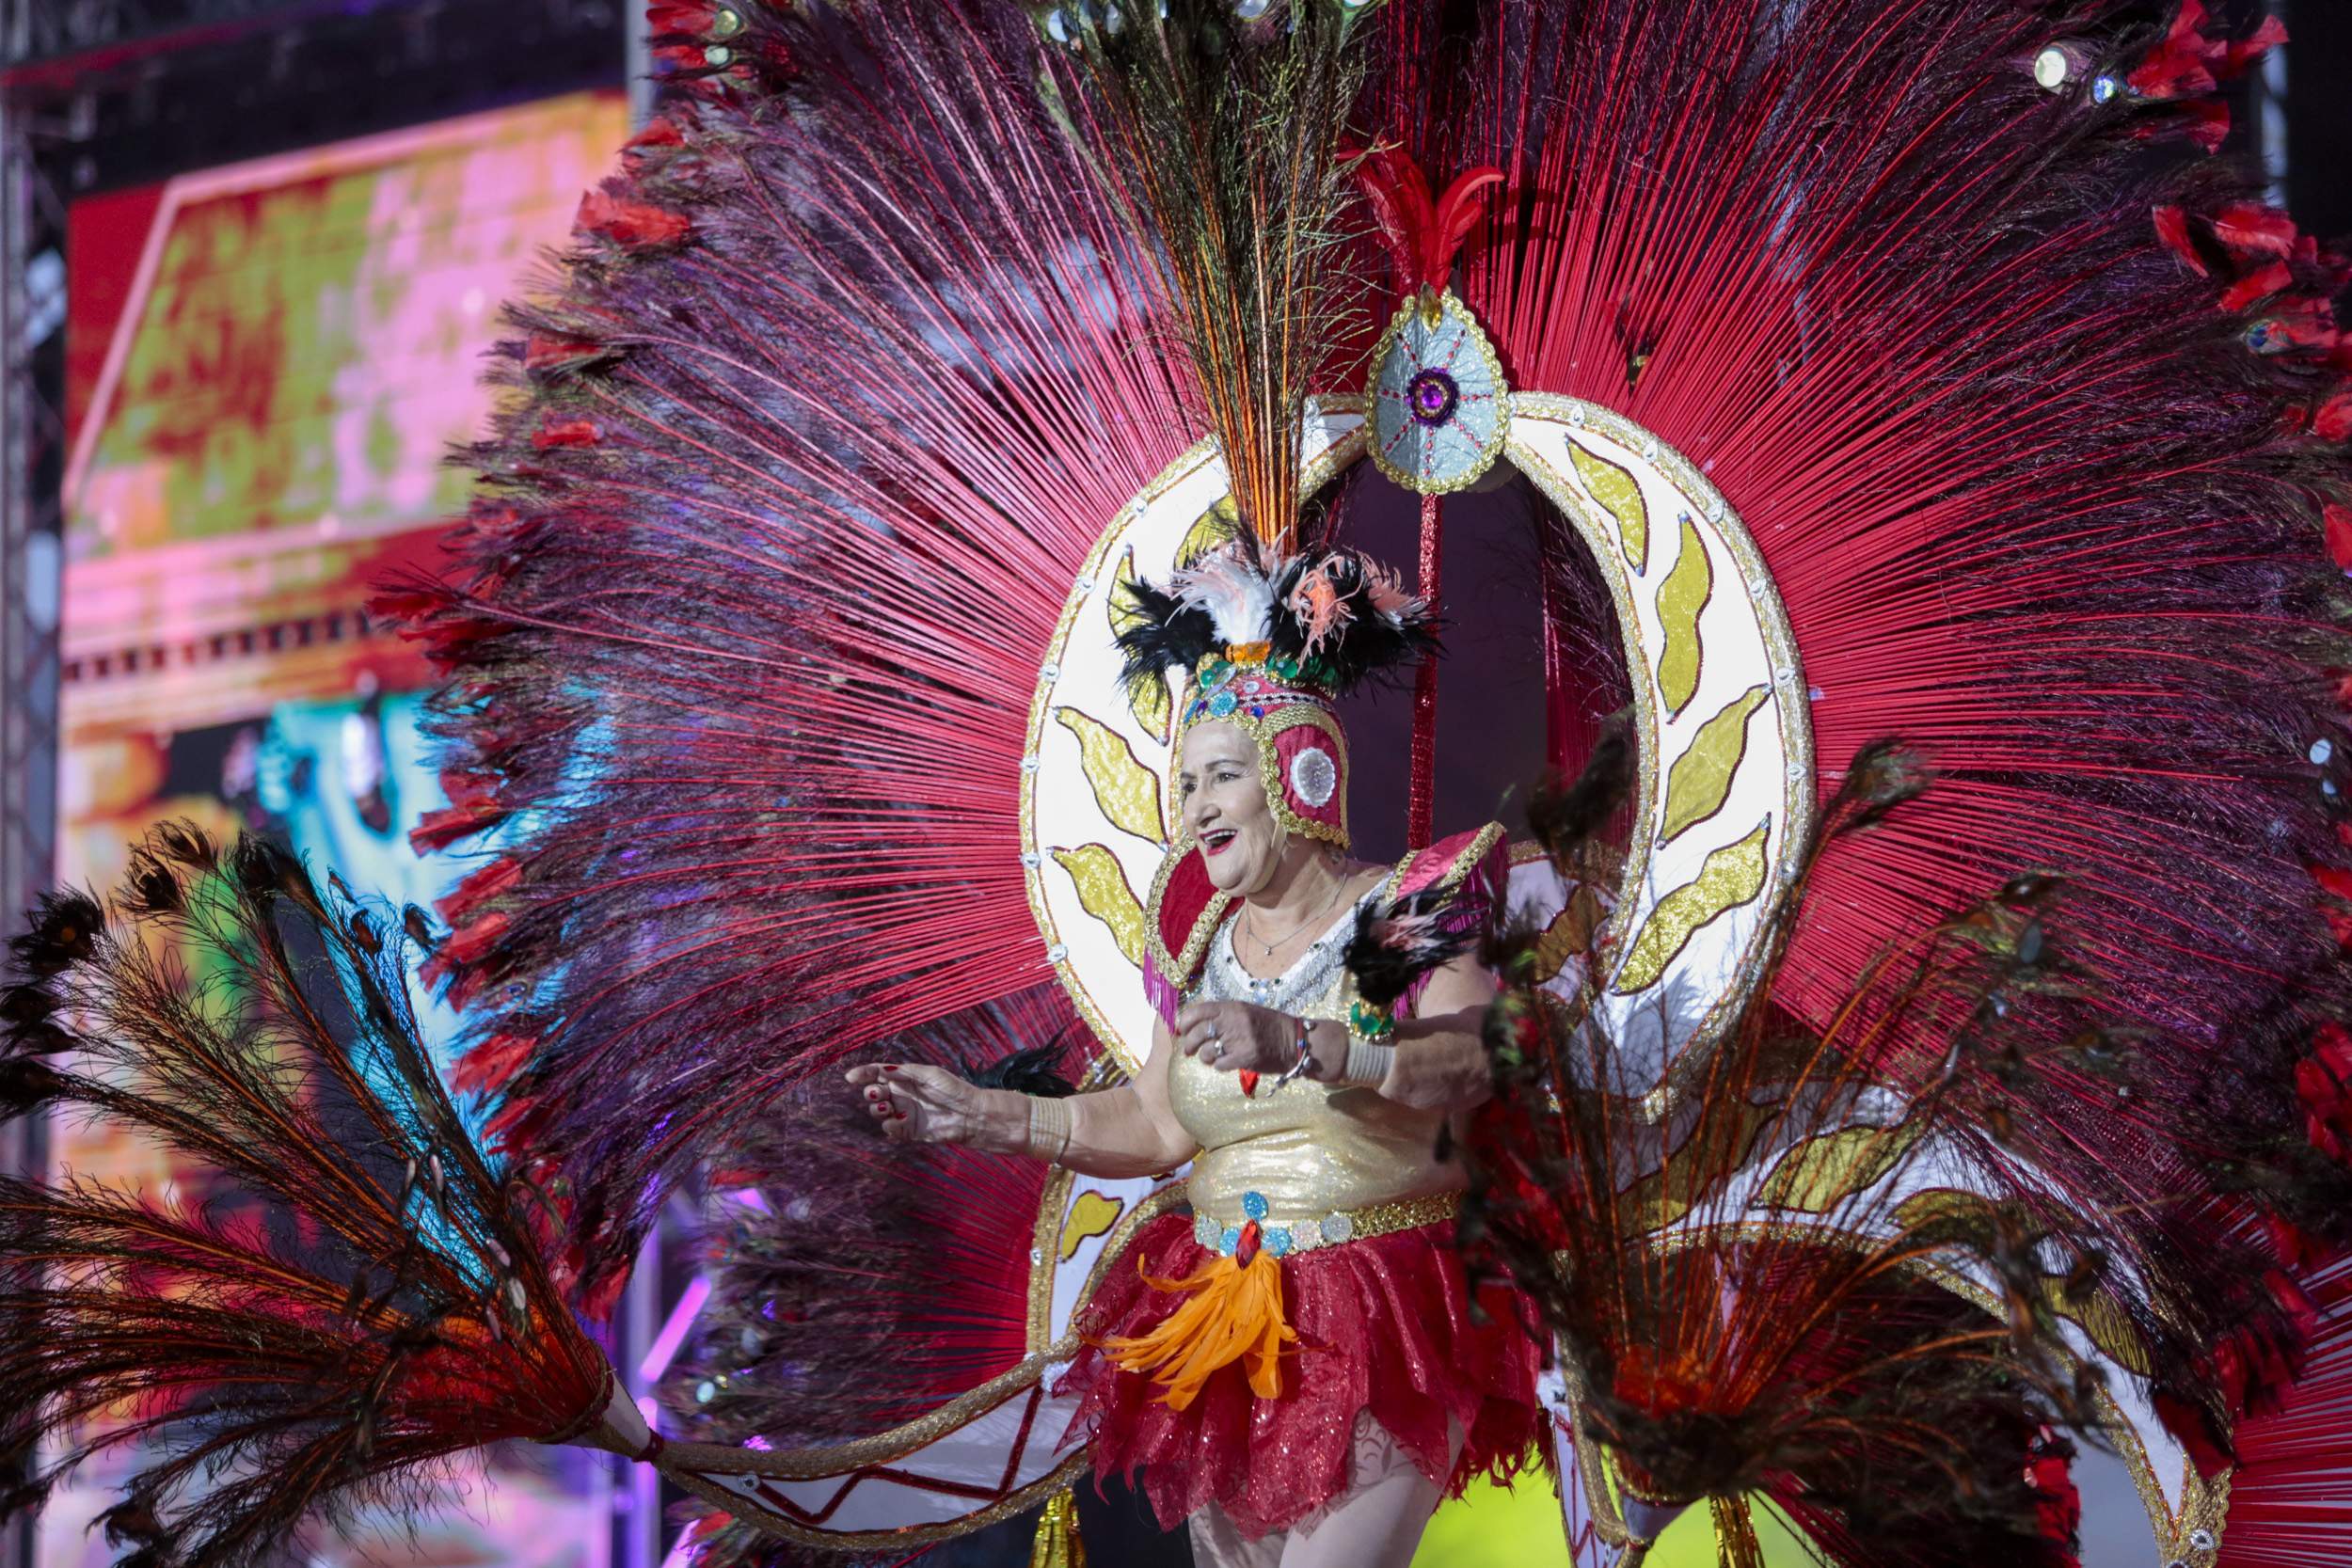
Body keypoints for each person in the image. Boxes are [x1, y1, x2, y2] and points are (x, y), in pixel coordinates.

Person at [847, 546, 1541, 1567]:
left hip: (1380, 1314)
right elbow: (1158, 1120)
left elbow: (1477, 1059)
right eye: (1184, 784)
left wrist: (1311, 1043)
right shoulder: (1197, 938)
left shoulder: (1402, 906)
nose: (1197, 807)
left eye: (1223, 776)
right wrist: (979, 1114)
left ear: (1303, 775)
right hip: (1223, 1325)